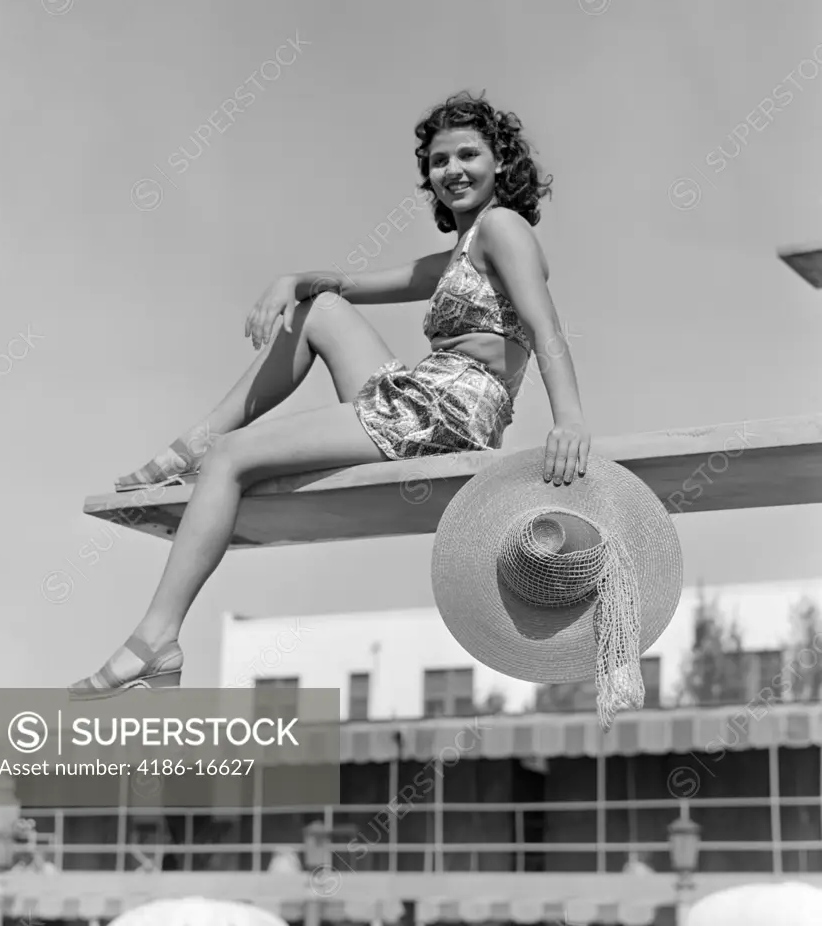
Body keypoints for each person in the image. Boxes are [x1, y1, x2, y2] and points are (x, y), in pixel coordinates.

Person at [68, 90, 591, 697]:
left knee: (231, 459)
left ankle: (156, 638)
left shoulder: (503, 229)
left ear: (500, 161)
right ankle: (191, 447)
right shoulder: (459, 253)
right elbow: (346, 284)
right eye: (439, 161)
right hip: (423, 398)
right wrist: (290, 279)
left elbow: (548, 328)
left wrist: (570, 420)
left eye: (468, 154)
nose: (453, 171)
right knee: (322, 309)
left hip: (446, 411)